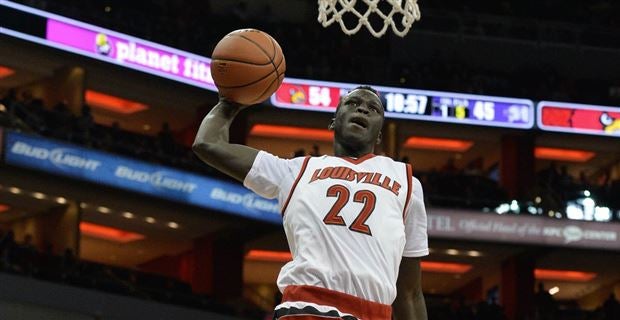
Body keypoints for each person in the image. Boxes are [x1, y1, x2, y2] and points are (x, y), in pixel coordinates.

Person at [193, 86, 428, 320]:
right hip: (307, 307)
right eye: (353, 103)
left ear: (378, 135)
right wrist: (229, 103)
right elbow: (208, 144)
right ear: (333, 122)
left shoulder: (407, 182)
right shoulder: (295, 170)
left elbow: (409, 293)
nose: (363, 109)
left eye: (373, 108)